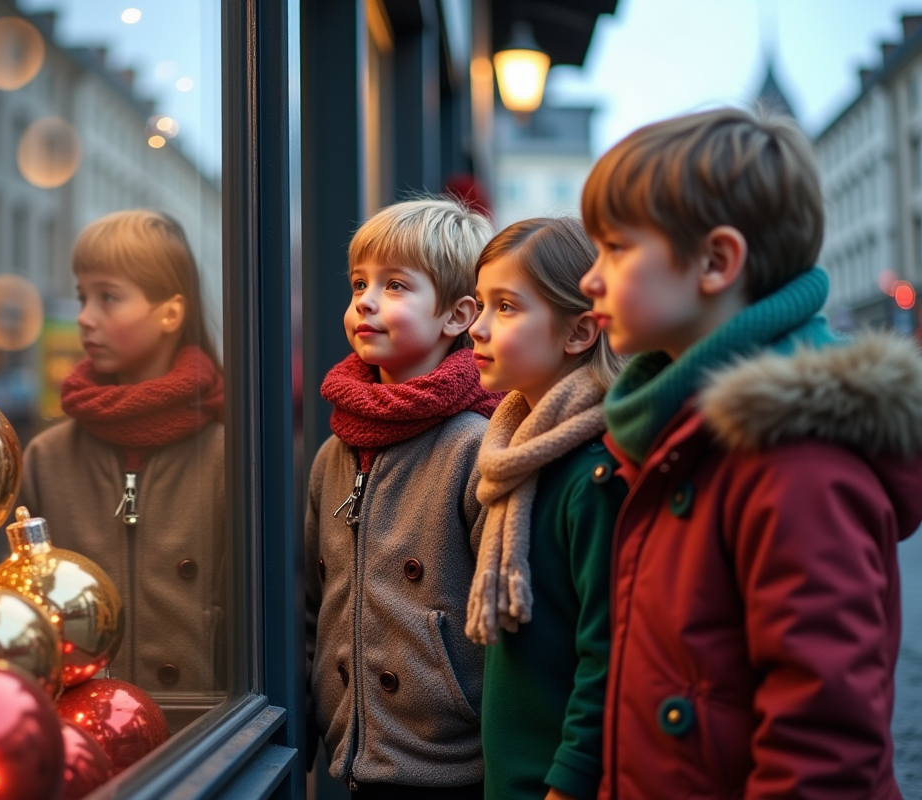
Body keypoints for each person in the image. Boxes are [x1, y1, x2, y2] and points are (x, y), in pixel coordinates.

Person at [577, 107, 922, 799]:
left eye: (614, 248)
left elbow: (823, 747)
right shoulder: (673, 428)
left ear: (716, 262)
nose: (591, 279)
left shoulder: (794, 459)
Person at [304, 197, 497, 797]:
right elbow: (313, 605)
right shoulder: (334, 452)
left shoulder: (475, 446)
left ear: (456, 315)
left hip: (451, 764)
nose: (365, 300)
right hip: (351, 757)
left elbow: (503, 624)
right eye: (359, 283)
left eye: (394, 286)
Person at [17, 209, 226, 723]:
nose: (85, 316)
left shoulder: (229, 456)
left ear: (170, 313)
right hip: (78, 738)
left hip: (204, 736)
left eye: (107, 297)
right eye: (83, 294)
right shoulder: (48, 457)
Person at [465, 218, 626, 800]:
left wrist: (568, 783)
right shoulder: (514, 458)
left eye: (505, 307)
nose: (477, 328)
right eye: (479, 304)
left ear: (579, 330)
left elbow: (607, 657)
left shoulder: (593, 475)